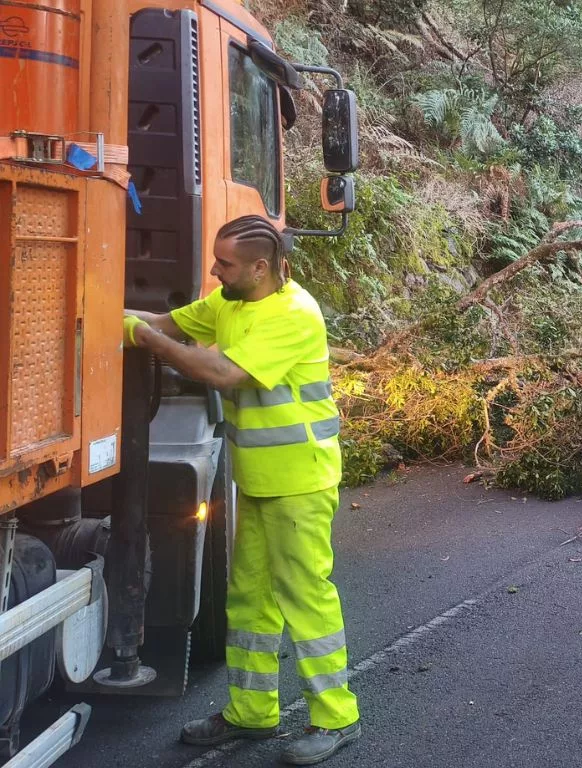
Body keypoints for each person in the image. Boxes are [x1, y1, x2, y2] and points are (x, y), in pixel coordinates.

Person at [124, 215, 360, 766]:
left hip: (299, 482)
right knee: (248, 600)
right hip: (255, 479)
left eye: (224, 263)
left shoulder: (292, 314)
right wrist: (104, 313)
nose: (213, 269)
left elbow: (220, 370)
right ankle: (252, 715)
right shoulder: (230, 301)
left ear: (261, 267)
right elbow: (165, 322)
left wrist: (144, 338)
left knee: (306, 600)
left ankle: (335, 718)